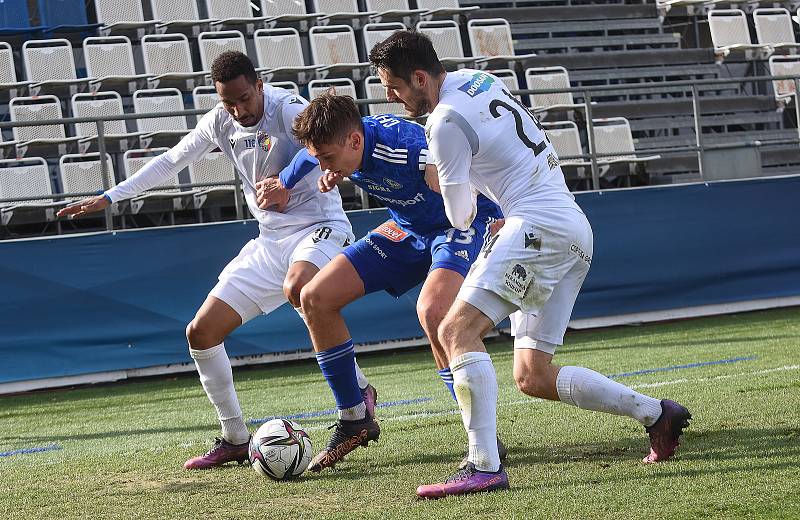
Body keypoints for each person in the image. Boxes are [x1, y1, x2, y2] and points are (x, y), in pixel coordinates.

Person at [368, 31, 692, 498]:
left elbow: (460, 216)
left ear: (420, 77)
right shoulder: (477, 79)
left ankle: (483, 466)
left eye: (396, 88)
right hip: (571, 227)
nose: (394, 99)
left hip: (536, 225)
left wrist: (437, 175)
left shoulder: (444, 122)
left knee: (455, 330)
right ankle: (657, 414)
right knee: (533, 375)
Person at [56, 51, 376, 470]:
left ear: (259, 85)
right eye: (229, 102)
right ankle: (235, 438)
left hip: (320, 227)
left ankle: (357, 400)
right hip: (269, 241)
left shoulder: (287, 107)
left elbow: (319, 146)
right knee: (201, 332)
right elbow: (172, 160)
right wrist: (111, 195)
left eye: (244, 98)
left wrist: (284, 181)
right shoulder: (220, 120)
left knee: (302, 289)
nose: (238, 109)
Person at [259, 94, 505, 471]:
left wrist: (507, 213)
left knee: (435, 311)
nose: (321, 164)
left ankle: (483, 438)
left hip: (458, 227)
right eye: (321, 158)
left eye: (327, 158)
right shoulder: (339, 143)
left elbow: (464, 166)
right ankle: (355, 417)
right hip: (406, 229)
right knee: (314, 297)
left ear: (354, 142)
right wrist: (286, 184)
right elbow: (308, 155)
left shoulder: (406, 149)